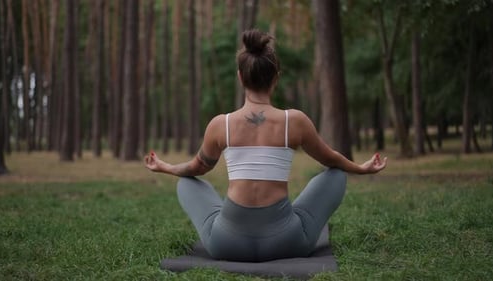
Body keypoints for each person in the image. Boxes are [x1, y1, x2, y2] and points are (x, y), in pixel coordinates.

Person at [145, 29, 387, 262]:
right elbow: (331, 159)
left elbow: (197, 167)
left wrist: (164, 166)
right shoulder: (295, 121)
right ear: (276, 77)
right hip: (287, 243)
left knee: (186, 183)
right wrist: (361, 168)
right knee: (336, 175)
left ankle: (228, 223)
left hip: (226, 244)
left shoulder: (221, 125)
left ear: (240, 77)